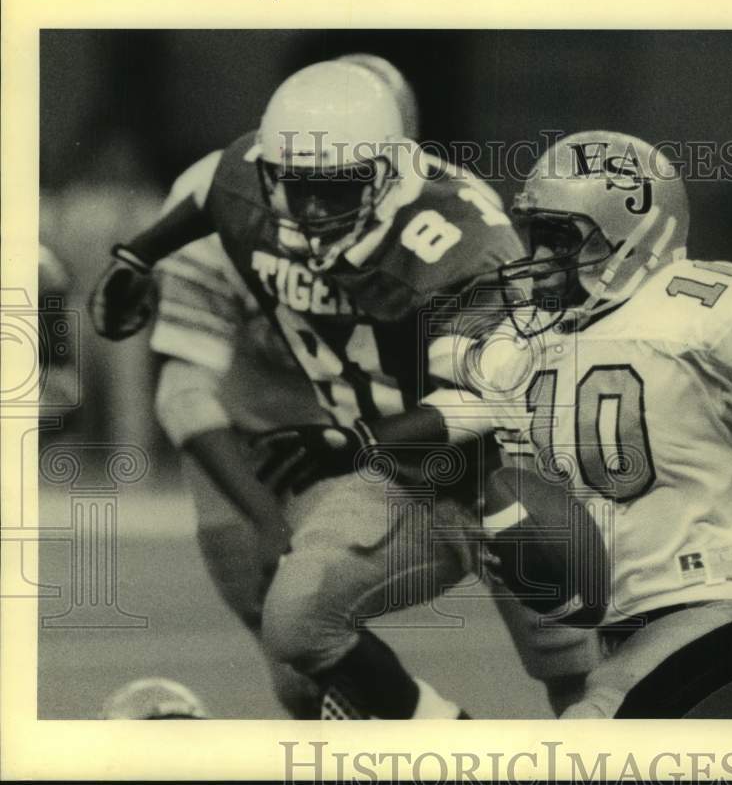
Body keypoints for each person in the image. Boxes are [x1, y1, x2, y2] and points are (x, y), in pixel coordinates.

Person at [90, 59, 597, 718]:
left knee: (580, 676)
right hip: (389, 472)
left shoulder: (464, 241)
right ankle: (453, 746)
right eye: (295, 187)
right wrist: (139, 255)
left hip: (506, 471)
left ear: (393, 168)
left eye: (338, 188)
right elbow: (212, 183)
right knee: (296, 626)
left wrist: (357, 439)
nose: (311, 210)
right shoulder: (249, 184)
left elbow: (489, 400)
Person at [396, 130, 732, 717]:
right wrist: (359, 444)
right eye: (535, 238)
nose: (538, 261)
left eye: (560, 240)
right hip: (627, 633)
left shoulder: (714, 314)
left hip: (725, 617)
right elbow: (465, 412)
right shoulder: (540, 333)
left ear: (629, 233)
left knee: (590, 736)